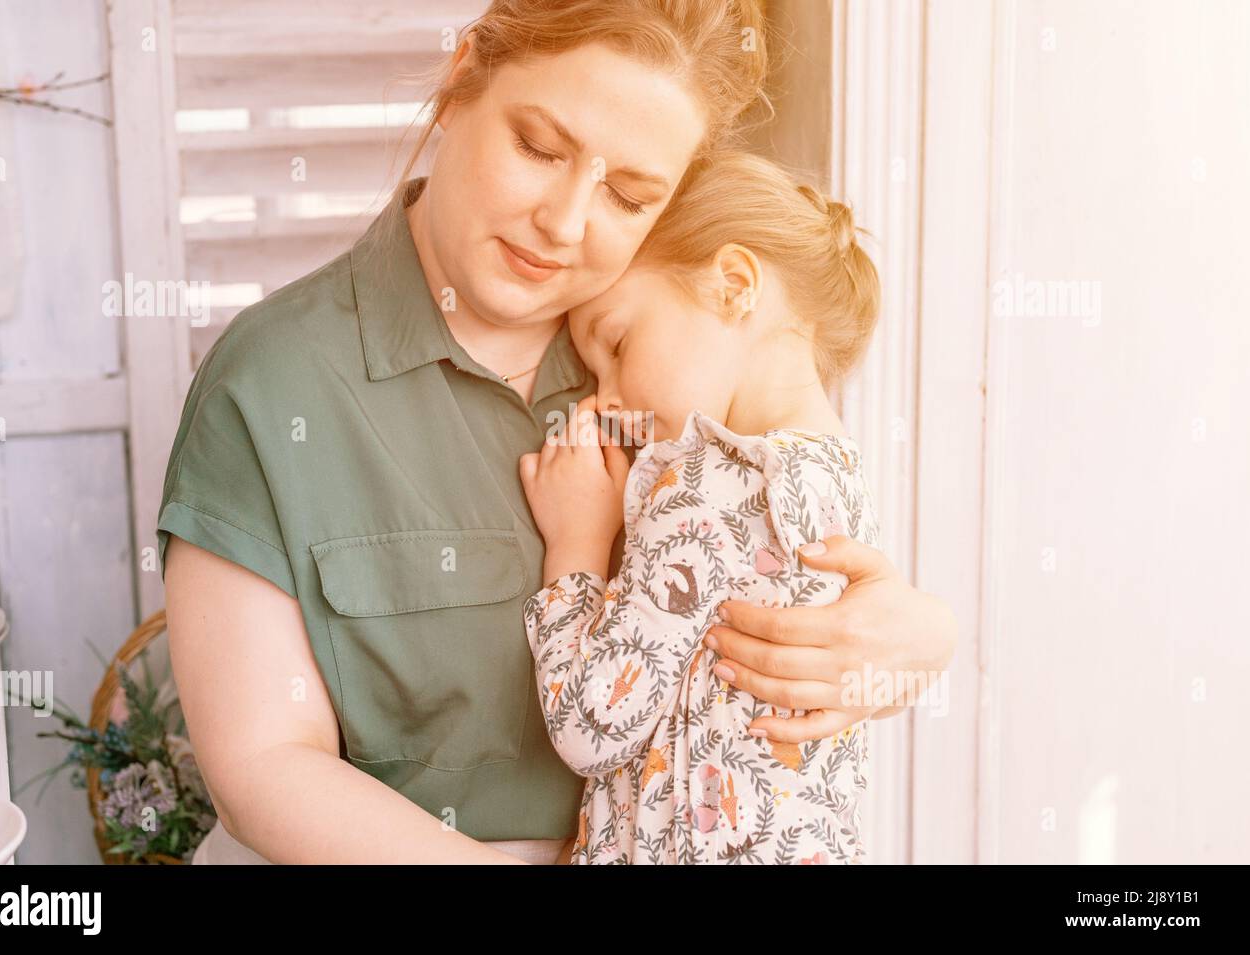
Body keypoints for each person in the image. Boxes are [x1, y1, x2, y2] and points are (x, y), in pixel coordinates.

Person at [161, 0, 957, 864]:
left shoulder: (674, 359)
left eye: (628, 194)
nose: (566, 222)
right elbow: (264, 767)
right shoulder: (272, 381)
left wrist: (917, 639)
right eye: (539, 147)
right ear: (461, 77)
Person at [521, 150, 883, 863]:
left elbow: (591, 724)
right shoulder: (840, 481)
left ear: (733, 285)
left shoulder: (707, 484)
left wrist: (576, 545)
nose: (604, 400)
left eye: (618, 343)